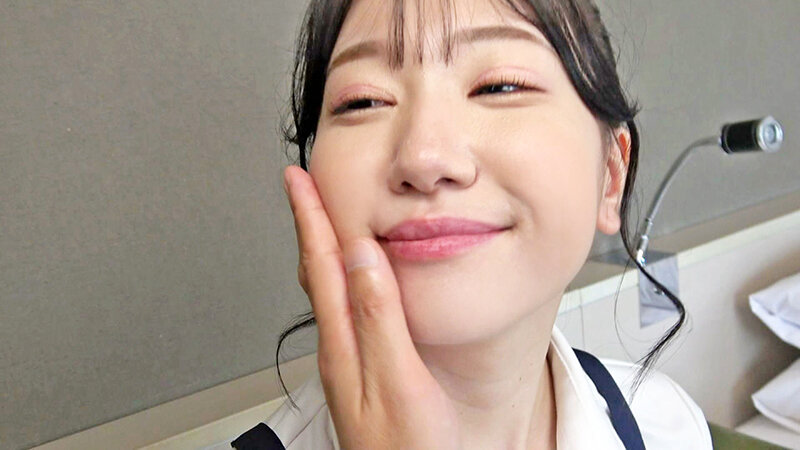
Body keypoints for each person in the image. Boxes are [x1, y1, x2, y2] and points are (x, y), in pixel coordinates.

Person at [218, 0, 714, 448]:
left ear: (610, 175)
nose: (423, 158)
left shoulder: (667, 425)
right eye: (363, 101)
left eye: (500, 86)